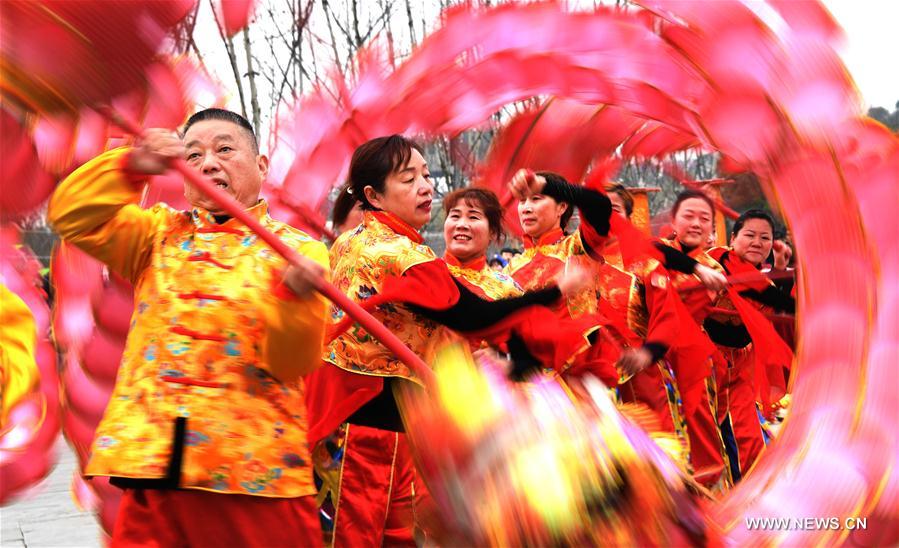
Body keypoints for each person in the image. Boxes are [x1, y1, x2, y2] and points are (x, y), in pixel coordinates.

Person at [48, 108, 329, 546]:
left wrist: (295, 299)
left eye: (224, 149)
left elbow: (292, 361)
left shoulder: (298, 253)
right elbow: (72, 216)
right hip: (155, 467)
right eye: (193, 154)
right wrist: (130, 165)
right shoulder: (155, 235)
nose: (208, 163)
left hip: (254, 474)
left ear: (261, 166)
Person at [305, 136, 599, 547]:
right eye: (409, 179)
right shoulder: (404, 255)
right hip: (377, 413)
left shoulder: (353, 240)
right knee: (366, 530)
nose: (426, 187)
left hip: (371, 410)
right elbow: (471, 317)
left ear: (494, 232)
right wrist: (554, 293)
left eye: (426, 176)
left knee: (388, 529)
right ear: (373, 195)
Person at [706, 209, 795, 481]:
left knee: (749, 434)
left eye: (765, 237)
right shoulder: (717, 261)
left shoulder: (763, 278)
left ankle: (751, 494)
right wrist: (782, 272)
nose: (757, 242)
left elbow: (773, 306)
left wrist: (780, 269)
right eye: (750, 235)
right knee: (710, 432)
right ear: (733, 238)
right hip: (706, 360)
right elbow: (780, 301)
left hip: (742, 363)